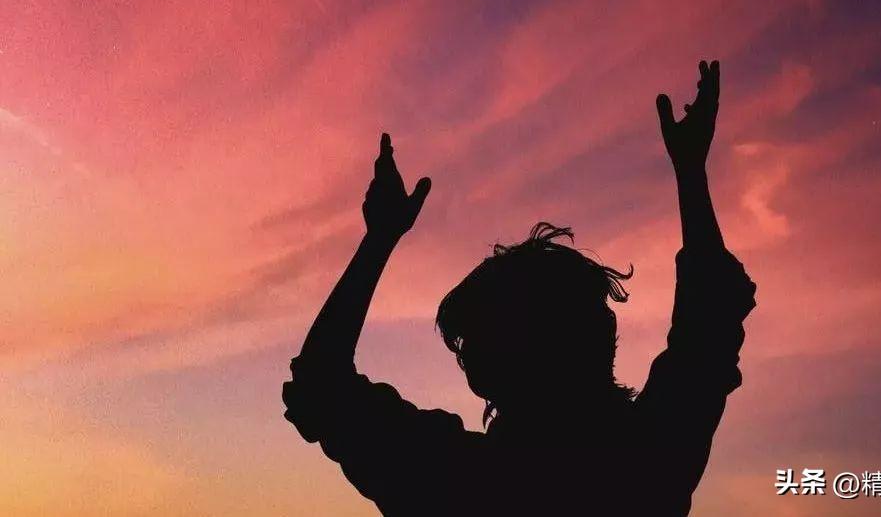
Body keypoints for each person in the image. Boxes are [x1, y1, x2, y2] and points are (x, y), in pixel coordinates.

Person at [282, 60, 756, 516]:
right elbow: (708, 323)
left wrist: (380, 238)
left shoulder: (459, 484)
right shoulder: (649, 462)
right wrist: (690, 173)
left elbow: (320, 387)